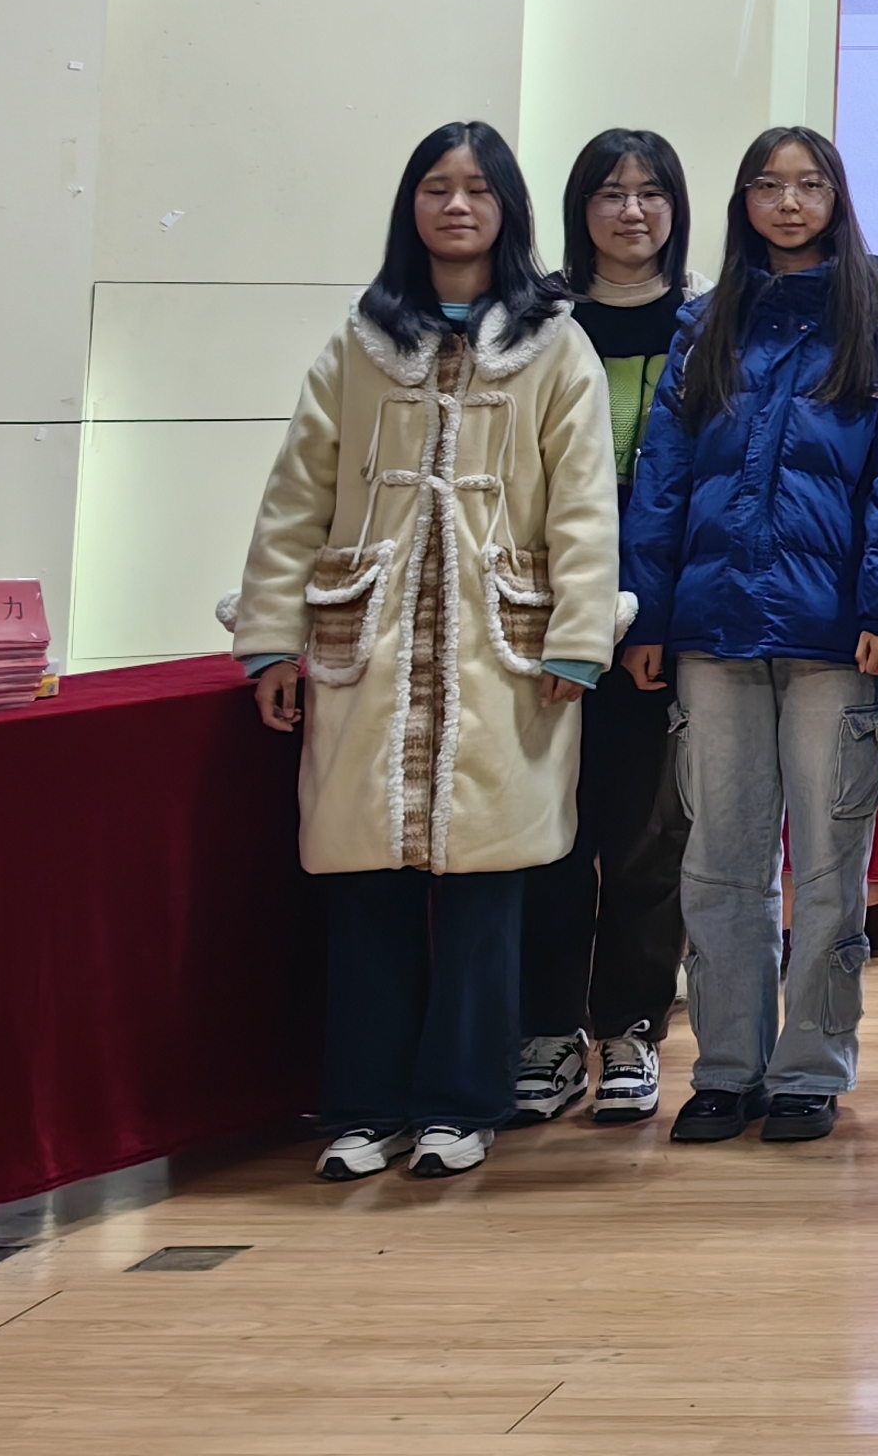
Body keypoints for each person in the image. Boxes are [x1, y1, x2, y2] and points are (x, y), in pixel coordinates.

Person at [230, 122, 617, 1184]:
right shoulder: (358, 343)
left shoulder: (555, 345)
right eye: (437, 188)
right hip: (369, 647)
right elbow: (296, 497)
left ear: (508, 210)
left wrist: (578, 641)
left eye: (477, 189)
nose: (456, 206)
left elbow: (585, 505)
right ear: (411, 206)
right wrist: (271, 641)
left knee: (488, 888)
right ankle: (365, 1106)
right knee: (367, 885)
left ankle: (462, 1102)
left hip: (505, 649)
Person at [616, 126, 878, 1149]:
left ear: (837, 198)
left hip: (836, 633)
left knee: (831, 865)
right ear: (743, 202)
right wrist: (647, 609)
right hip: (711, 628)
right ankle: (725, 1069)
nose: (788, 203)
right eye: (767, 185)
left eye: (809, 185)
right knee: (720, 858)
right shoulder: (706, 323)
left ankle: (810, 1070)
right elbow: (664, 474)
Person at [508, 128, 694, 1131]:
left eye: (650, 192)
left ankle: (630, 1025)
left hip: (658, 611)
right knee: (546, 825)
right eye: (610, 192)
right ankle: (545, 1028)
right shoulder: (535, 322)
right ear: (579, 209)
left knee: (645, 831)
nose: (631, 211)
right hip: (541, 609)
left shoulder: (705, 320)